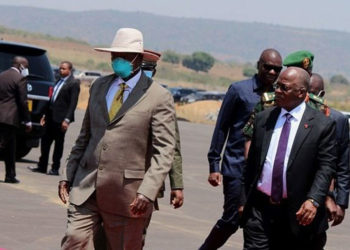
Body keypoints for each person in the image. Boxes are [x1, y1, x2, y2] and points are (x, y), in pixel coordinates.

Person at [59, 28, 176, 249]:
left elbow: (165, 151)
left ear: (138, 59)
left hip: (128, 196)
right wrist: (68, 174)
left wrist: (148, 191)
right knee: (74, 240)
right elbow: (85, 136)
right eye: (114, 56)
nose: (116, 61)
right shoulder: (99, 86)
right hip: (87, 187)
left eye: (122, 56)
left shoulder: (158, 97)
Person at [93, 49, 184, 249]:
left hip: (143, 185)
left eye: (150, 70)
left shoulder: (158, 98)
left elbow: (172, 147)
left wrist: (176, 184)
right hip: (108, 181)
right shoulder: (114, 90)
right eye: (145, 69)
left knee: (133, 239)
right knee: (100, 237)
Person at [241, 67, 336, 250]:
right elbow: (251, 165)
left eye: (283, 88)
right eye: (277, 86)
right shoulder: (263, 119)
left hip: (298, 213)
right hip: (260, 211)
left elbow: (326, 167)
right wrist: (243, 201)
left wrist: (314, 200)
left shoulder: (322, 125)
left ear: (301, 92)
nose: (276, 90)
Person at [200, 49, 282, 249]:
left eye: (276, 69)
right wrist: (214, 164)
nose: (272, 72)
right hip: (236, 167)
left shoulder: (281, 95)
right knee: (232, 218)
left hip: (264, 172)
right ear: (258, 65)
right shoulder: (239, 90)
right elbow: (222, 127)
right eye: (268, 67)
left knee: (257, 222)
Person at [309, 73, 350, 226]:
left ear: (322, 94)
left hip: (322, 196)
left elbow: (343, 165)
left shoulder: (337, 120)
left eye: (312, 93)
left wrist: (341, 202)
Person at [29, 61, 80, 175]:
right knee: (45, 143)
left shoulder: (73, 83)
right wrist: (44, 116)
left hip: (60, 120)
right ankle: (42, 166)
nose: (61, 70)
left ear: (69, 70)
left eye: (63, 69)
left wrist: (67, 120)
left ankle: (55, 168)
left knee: (58, 145)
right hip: (50, 118)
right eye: (60, 68)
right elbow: (51, 99)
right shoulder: (57, 81)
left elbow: (73, 103)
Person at [0, 56, 32, 183]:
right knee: (4, 146)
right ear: (21, 66)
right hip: (10, 118)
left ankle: (10, 175)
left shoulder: (2, 75)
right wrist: (28, 120)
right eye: (27, 67)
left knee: (10, 148)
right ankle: (10, 175)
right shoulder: (20, 79)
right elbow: (23, 101)